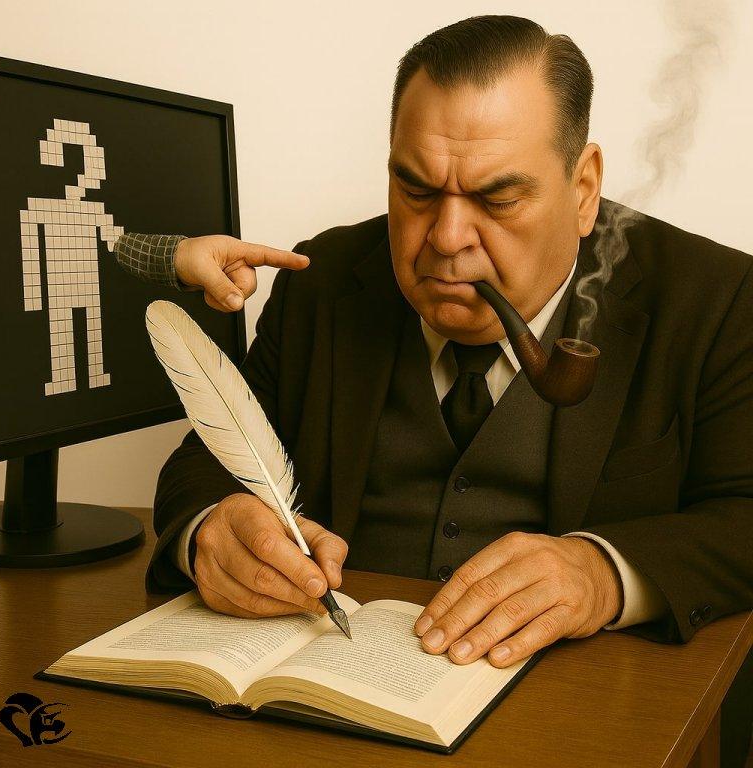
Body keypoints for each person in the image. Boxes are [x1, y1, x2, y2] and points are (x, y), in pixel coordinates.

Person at [115, 16, 752, 764]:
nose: (446, 238)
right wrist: (213, 529)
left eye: (499, 198)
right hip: (315, 727)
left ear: (583, 189)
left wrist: (603, 574)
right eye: (415, 190)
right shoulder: (325, 283)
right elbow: (204, 462)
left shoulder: (717, 300)